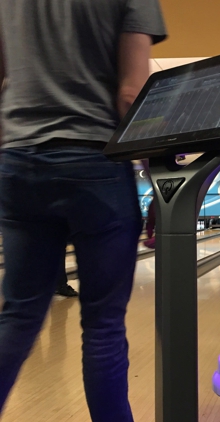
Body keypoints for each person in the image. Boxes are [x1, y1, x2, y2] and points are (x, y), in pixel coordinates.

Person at [0, 2, 166, 421]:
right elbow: (131, 95)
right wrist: (161, 181)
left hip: (18, 159)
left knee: (18, 316)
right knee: (103, 326)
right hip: (94, 161)